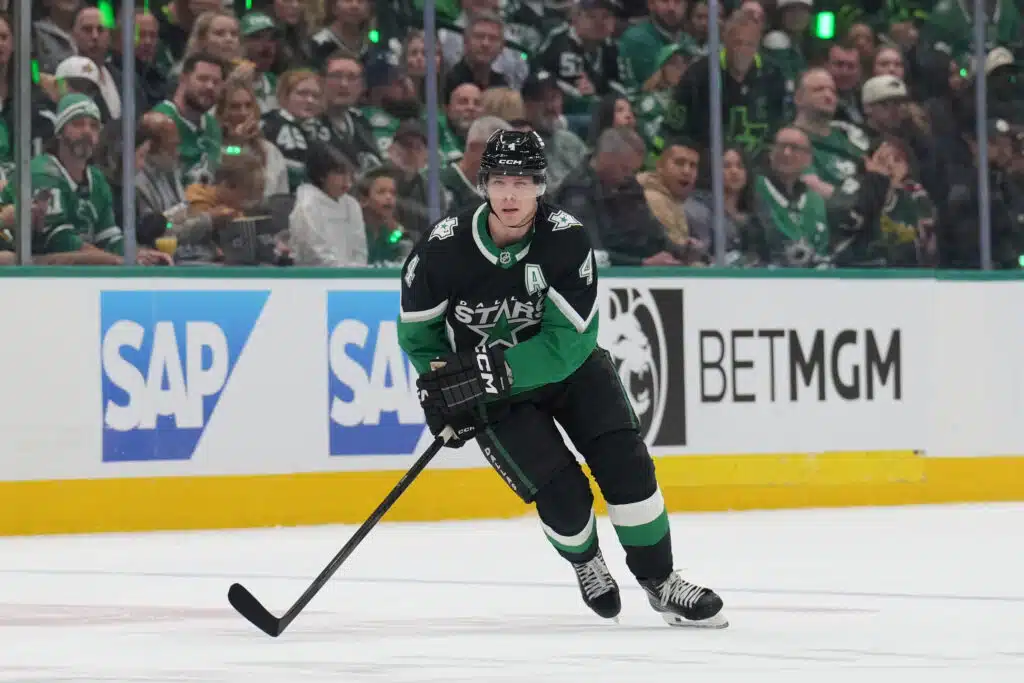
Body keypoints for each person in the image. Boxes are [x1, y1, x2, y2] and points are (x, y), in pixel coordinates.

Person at [396, 129, 727, 629]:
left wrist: (494, 371)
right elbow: (419, 338)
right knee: (562, 496)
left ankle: (661, 582)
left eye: (522, 183)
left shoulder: (566, 238)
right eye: (499, 182)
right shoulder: (441, 251)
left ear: (540, 186)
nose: (510, 195)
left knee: (627, 466)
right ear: (483, 185)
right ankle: (586, 561)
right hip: (494, 394)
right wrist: (443, 390)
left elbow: (569, 340)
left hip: (571, 373)